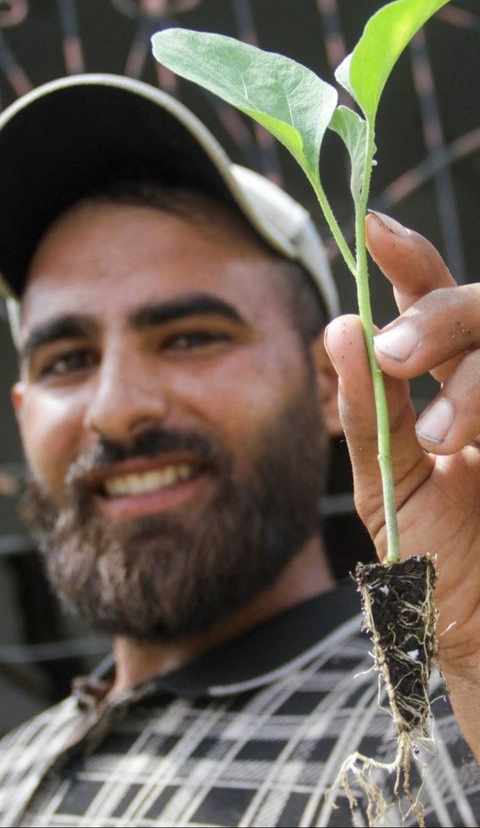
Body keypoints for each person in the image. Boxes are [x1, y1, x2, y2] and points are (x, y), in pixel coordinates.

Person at [0, 73, 477, 828]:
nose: (118, 408)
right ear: (24, 413)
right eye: (65, 359)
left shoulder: (438, 733)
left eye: (191, 337)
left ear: (331, 381)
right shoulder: (11, 768)